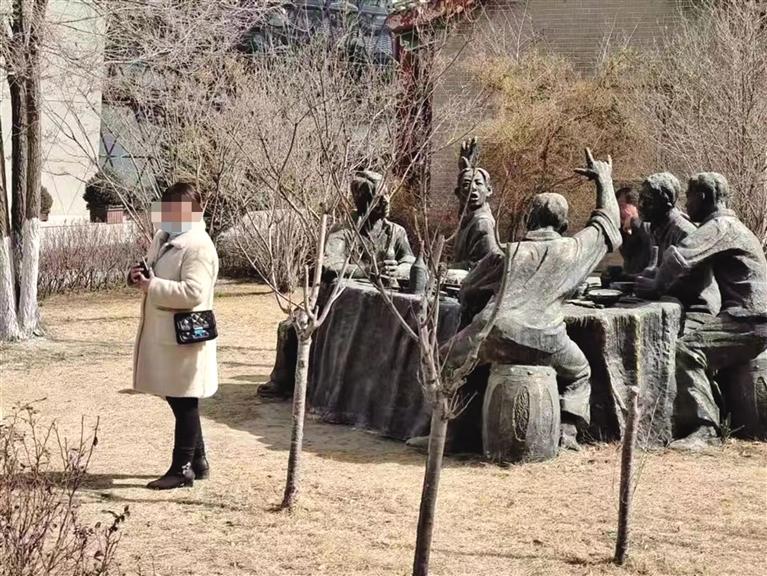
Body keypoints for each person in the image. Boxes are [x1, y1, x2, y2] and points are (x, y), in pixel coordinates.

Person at [409, 149, 622, 452]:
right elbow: (608, 223)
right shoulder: (573, 250)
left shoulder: (506, 254)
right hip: (549, 341)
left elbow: (468, 289)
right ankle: (567, 433)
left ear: (527, 221)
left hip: (496, 335)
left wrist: (476, 309)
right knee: (580, 373)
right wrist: (604, 180)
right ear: (563, 225)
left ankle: (449, 433)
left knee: (440, 363)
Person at [636, 172, 767, 448]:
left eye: (689, 197)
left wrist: (655, 285)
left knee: (687, 350)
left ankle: (705, 430)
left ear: (704, 197)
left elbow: (680, 256)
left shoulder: (719, 226)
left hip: (749, 318)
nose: (686, 204)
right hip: (748, 316)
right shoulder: (729, 225)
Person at [258, 170, 415, 398]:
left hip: (386, 300)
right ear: (363, 201)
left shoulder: (396, 232)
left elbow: (410, 260)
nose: (386, 201)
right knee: (290, 328)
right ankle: (282, 381)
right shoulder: (343, 231)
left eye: (387, 194)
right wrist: (369, 271)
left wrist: (400, 269)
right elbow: (329, 264)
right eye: (379, 196)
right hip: (338, 302)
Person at [129, 182, 220, 489]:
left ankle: (182, 469)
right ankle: (198, 461)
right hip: (166, 334)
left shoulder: (199, 247)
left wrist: (152, 286)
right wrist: (138, 276)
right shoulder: (164, 237)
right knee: (179, 397)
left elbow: (194, 293)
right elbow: (154, 271)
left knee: (184, 401)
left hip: (185, 336)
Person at [636, 172, 720, 315]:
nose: (641, 205)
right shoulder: (655, 227)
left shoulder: (686, 233)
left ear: (666, 204)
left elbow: (691, 283)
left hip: (697, 309)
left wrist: (656, 284)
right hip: (672, 303)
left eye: (648, 201)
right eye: (640, 198)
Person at [451, 138, 500, 272]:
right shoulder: (470, 218)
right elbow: (463, 212)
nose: (472, 188)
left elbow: (484, 265)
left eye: (478, 183)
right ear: (458, 193)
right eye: (466, 185)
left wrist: (449, 268)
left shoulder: (482, 222)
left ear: (489, 190)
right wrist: (465, 168)